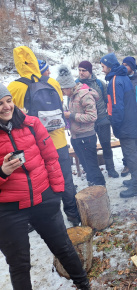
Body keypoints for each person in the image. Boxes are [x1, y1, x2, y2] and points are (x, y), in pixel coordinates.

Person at [0, 84, 90, 290]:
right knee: (19, 264)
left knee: (64, 248)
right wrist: (2, 172)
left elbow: (51, 158)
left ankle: (84, 285)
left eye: (8, 101)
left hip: (43, 200)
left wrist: (55, 193)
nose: (6, 107)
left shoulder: (31, 124)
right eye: (0, 104)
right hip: (9, 210)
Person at [8, 46, 80, 226]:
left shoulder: (14, 87)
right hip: (58, 141)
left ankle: (47, 221)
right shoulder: (52, 82)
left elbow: (12, 116)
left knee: (39, 182)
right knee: (65, 179)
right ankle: (72, 214)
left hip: (32, 145)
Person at [100, 53, 137, 198]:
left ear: (110, 66)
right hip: (132, 120)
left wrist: (115, 124)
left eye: (103, 66)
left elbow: (117, 106)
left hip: (125, 123)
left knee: (130, 154)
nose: (102, 69)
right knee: (134, 152)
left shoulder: (115, 80)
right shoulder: (123, 77)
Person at [57, 65, 106, 187]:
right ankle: (92, 185)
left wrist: (71, 116)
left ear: (68, 87)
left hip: (87, 137)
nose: (62, 93)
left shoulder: (85, 95)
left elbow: (92, 117)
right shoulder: (71, 96)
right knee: (86, 165)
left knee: (92, 166)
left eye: (62, 90)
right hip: (76, 137)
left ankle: (100, 188)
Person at [76, 60, 119, 178]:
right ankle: (95, 172)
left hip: (102, 120)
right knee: (91, 149)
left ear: (89, 71)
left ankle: (111, 169)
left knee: (106, 145)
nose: (81, 73)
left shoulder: (100, 83)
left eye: (83, 70)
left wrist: (107, 116)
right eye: (79, 70)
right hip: (86, 123)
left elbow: (107, 100)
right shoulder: (76, 85)